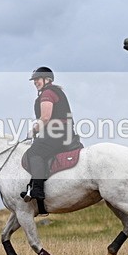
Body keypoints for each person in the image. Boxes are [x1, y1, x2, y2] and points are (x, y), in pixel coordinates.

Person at [22, 67, 79, 202]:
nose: (35, 82)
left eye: (37, 79)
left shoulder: (48, 93)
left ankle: (38, 190)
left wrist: (34, 130)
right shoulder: (53, 91)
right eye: (34, 80)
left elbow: (45, 118)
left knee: (34, 152)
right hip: (63, 131)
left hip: (57, 132)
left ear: (47, 79)